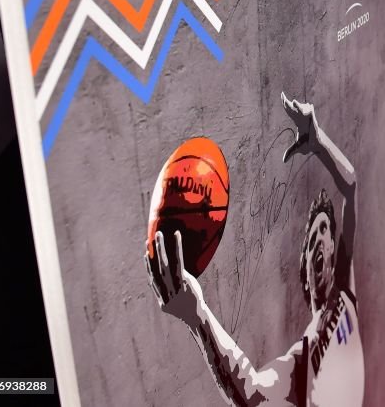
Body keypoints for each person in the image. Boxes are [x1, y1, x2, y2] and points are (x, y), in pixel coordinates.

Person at [146, 93, 363, 407]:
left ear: (334, 251)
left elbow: (351, 187)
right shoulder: (302, 359)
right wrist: (198, 316)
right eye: (313, 238)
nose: (319, 242)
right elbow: (252, 394)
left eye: (324, 232)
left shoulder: (345, 293)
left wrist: (320, 143)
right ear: (305, 275)